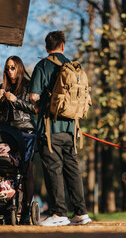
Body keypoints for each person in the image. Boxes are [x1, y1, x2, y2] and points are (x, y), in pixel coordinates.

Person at [29, 30, 91, 226]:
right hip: (72, 130)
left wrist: (38, 106)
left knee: (53, 169)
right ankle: (81, 213)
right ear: (63, 46)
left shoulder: (43, 65)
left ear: (46, 47)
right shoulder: (74, 67)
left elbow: (33, 97)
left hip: (50, 129)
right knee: (72, 169)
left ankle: (59, 214)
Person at [0, 55, 36, 225]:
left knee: (26, 171)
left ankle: (25, 211)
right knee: (8, 171)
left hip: (25, 132)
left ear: (19, 68)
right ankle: (10, 210)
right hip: (7, 133)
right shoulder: (4, 86)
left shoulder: (29, 85)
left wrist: (16, 101)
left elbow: (34, 108)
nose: (9, 71)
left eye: (13, 67)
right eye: (7, 68)